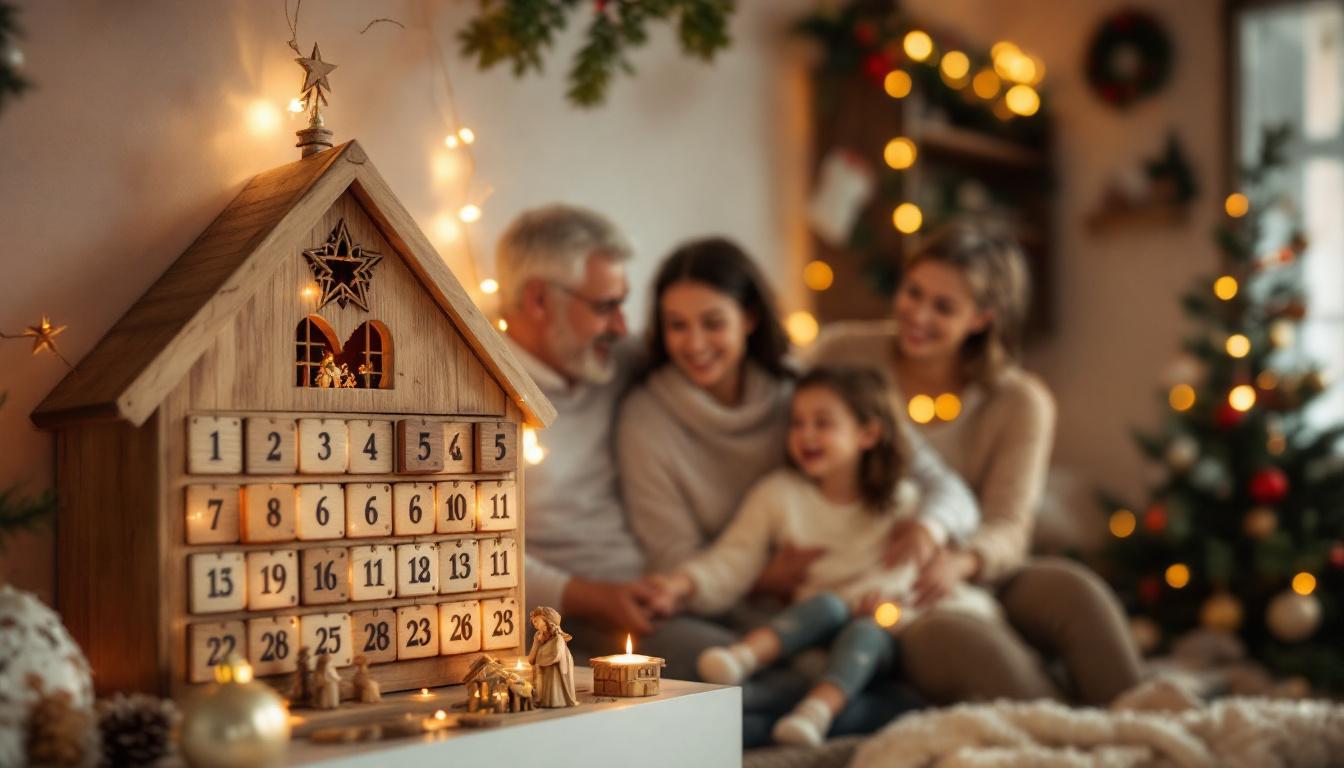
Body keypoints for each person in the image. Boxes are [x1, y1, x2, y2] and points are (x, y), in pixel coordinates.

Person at [811, 222, 1143, 705]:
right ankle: (1071, 740)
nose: (917, 315)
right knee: (966, 641)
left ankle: (1150, 728)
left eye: (943, 307)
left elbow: (1009, 525)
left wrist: (961, 561)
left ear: (982, 318)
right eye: (913, 292)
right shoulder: (845, 354)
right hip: (888, 587)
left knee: (1076, 590)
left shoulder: (1019, 401)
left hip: (976, 567)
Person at [651, 368, 999, 746]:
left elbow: (913, 579)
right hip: (807, 634)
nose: (807, 436)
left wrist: (884, 607)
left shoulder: (902, 502)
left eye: (823, 423)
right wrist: (680, 584)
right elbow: (732, 559)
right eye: (798, 423)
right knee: (827, 609)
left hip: (875, 639)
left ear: (868, 434)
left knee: (861, 631)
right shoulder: (778, 495)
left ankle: (816, 713)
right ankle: (741, 660)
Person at [618, 237, 981, 597]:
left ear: (749, 318)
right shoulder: (646, 420)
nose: (694, 344)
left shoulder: (802, 390)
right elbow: (669, 560)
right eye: (677, 326)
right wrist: (760, 579)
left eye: (713, 323)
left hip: (855, 596)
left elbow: (944, 485)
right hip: (727, 605)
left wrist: (929, 528)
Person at [496, 205, 734, 678]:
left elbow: (735, 360)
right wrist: (590, 598)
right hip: (562, 619)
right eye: (606, 307)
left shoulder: (615, 360)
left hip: (661, 592)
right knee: (732, 668)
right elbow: (478, 549)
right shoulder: (475, 387)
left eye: (623, 304)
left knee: (791, 656)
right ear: (539, 300)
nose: (623, 327)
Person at [527, 606, 578, 708]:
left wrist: (539, 660)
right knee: (543, 688)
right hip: (543, 673)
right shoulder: (538, 637)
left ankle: (556, 701)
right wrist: (536, 643)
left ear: (547, 621)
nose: (535, 625)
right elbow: (531, 659)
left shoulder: (558, 639)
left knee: (554, 688)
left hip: (555, 671)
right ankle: (543, 700)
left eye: (537, 621)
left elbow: (555, 656)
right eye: (534, 623)